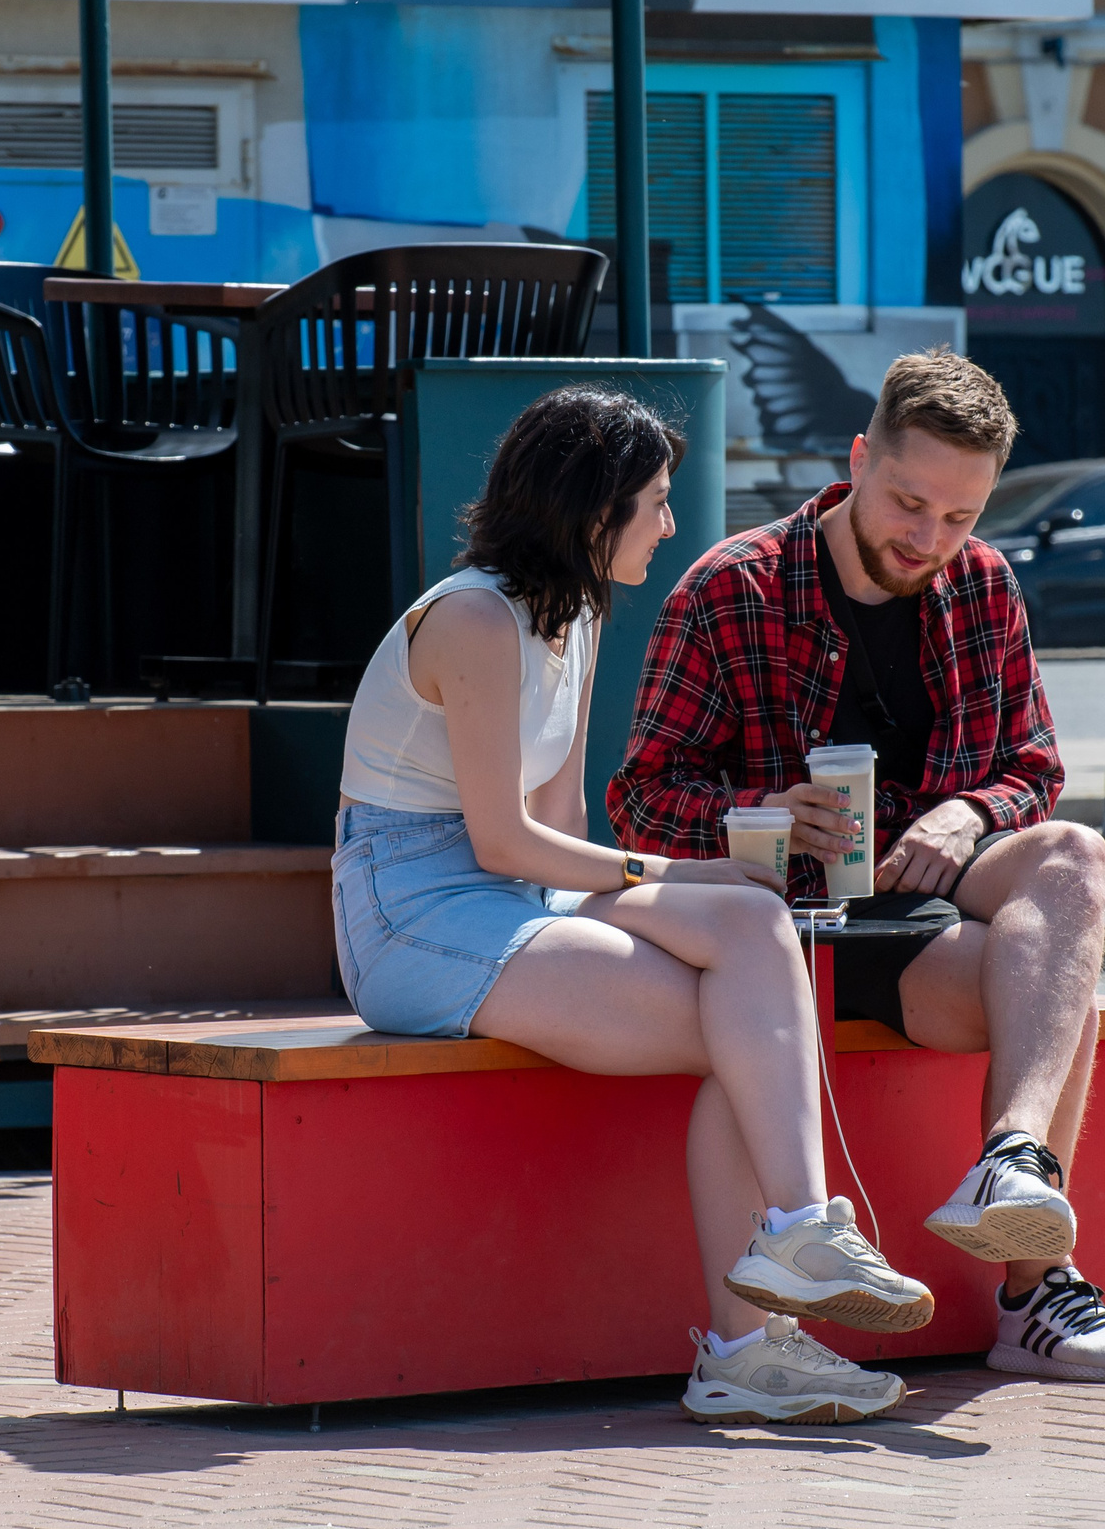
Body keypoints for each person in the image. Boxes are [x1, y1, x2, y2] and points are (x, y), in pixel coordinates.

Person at [333, 385, 934, 1425]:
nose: (669, 524)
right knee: (737, 1024)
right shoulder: (474, 616)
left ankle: (798, 1232)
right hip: (408, 906)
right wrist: (669, 874)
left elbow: (558, 826)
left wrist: (703, 883)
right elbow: (499, 837)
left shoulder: (571, 616)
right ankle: (749, 1339)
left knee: (752, 927)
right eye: (654, 500)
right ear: (591, 504)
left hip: (513, 890)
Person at [608, 351, 1105, 1384]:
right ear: (858, 458)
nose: (929, 539)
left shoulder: (984, 583)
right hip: (789, 934)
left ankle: (1011, 1163)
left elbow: (1035, 766)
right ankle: (1036, 1294)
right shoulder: (733, 584)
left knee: (1073, 856)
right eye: (909, 503)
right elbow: (639, 794)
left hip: (926, 911)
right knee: (1063, 994)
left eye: (959, 517)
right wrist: (761, 814)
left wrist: (967, 812)